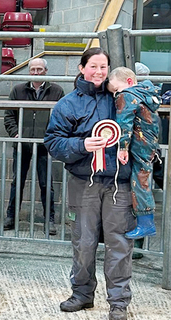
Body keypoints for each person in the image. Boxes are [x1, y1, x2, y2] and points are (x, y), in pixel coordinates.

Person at [44, 48, 134, 320]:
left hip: (119, 182)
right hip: (84, 182)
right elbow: (53, 142)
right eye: (93, 66)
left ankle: (118, 303)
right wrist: (81, 144)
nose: (98, 72)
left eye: (103, 67)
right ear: (82, 68)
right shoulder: (67, 104)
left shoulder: (122, 100)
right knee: (83, 242)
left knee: (119, 243)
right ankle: (82, 293)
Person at [2, 58, 64, 235]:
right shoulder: (18, 90)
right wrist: (15, 134)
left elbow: (62, 117)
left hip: (45, 146)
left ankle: (49, 220)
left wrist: (51, 137)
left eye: (39, 69)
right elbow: (8, 115)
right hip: (22, 145)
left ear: (46, 70)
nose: (36, 73)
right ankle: (10, 217)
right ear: (29, 71)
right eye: (33, 69)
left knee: (46, 184)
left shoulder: (57, 90)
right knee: (17, 182)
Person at [107, 66, 160, 239]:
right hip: (149, 143)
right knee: (143, 177)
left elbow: (124, 123)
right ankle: (146, 221)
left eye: (116, 89)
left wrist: (122, 148)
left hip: (138, 142)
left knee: (139, 179)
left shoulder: (127, 95)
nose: (116, 94)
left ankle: (146, 223)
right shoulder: (145, 94)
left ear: (129, 82)